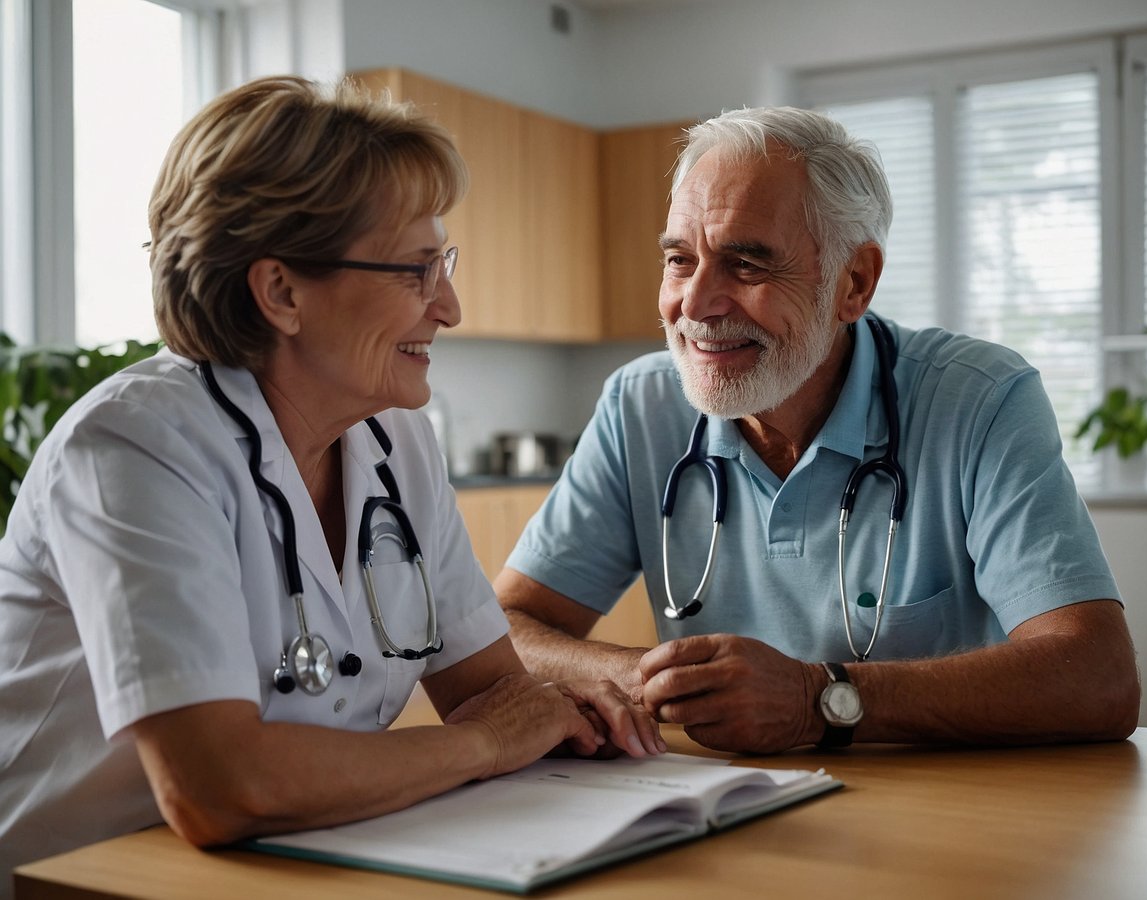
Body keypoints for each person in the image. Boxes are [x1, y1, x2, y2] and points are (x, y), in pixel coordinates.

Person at [0, 75, 662, 891]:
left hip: (303, 858)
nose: (448, 306)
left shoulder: (395, 441)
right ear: (281, 292)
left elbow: (491, 689)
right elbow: (220, 788)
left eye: (443, 264)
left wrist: (569, 713)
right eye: (415, 272)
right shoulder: (135, 447)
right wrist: (487, 743)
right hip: (84, 875)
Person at [496, 106, 1141, 754]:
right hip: (722, 801)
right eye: (679, 260)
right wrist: (663, 681)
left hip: (944, 809)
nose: (694, 305)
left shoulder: (980, 400)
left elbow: (1098, 677)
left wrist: (820, 699)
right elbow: (507, 628)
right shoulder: (640, 407)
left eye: (746, 265)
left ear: (853, 283)